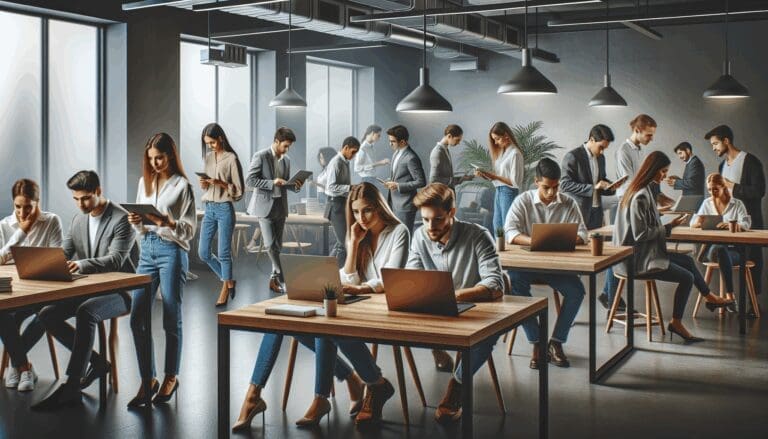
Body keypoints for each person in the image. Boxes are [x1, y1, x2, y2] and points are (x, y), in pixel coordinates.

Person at [292, 182, 409, 427]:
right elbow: (348, 278)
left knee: (331, 327)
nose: (361, 217)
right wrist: (353, 244)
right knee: (301, 328)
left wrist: (360, 288)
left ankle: (329, 395)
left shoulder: (399, 232)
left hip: (388, 306)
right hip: (361, 303)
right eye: (356, 212)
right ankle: (370, 382)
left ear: (379, 206)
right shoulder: (358, 233)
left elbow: (391, 276)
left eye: (367, 210)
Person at [31, 171, 138, 410]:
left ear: (99, 191)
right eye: (76, 199)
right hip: (90, 288)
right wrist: (38, 261)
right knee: (47, 313)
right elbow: (64, 253)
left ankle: (71, 386)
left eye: (86, 198)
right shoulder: (79, 220)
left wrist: (80, 264)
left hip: (121, 291)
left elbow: (116, 259)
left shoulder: (122, 219)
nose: (81, 204)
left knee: (86, 312)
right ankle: (98, 362)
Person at [406, 183, 504, 423]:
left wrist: (454, 296)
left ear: (452, 212)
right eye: (425, 219)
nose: (431, 226)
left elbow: (494, 283)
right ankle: (436, 348)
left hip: (471, 310)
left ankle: (457, 384)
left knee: (488, 335)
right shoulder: (420, 235)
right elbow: (412, 275)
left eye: (438, 219)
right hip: (433, 308)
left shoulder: (478, 235)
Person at [612, 151, 733, 343]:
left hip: (638, 255)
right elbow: (641, 234)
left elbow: (644, 227)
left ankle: (709, 297)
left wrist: (670, 224)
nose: (665, 176)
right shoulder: (641, 196)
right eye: (663, 171)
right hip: (636, 261)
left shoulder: (639, 191)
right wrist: (667, 227)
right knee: (687, 277)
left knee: (687, 260)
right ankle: (676, 322)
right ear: (652, 170)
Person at [127, 132, 197, 407]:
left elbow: (189, 231)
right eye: (151, 159)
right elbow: (141, 227)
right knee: (137, 318)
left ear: (170, 155)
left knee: (171, 316)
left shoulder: (183, 186)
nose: (155, 163)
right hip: (146, 249)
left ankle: (170, 376)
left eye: (160, 158)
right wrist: (136, 221)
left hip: (172, 252)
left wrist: (167, 222)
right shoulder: (144, 183)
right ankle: (148, 379)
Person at [505, 158, 588, 368]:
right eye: (546, 187)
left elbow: (583, 234)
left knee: (577, 291)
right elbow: (510, 232)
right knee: (515, 285)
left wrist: (562, 239)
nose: (552, 192)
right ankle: (538, 342)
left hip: (555, 266)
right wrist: (535, 240)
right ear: (536, 182)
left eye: (556, 187)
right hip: (526, 266)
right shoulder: (522, 201)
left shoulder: (568, 202)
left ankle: (556, 342)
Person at [0, 179, 63, 393]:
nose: (22, 212)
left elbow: (57, 258)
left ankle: (17, 365)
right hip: (16, 291)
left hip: (43, 292)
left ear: (37, 202)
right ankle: (24, 366)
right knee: (2, 314)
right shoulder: (5, 225)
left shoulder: (51, 221)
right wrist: (23, 231)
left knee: (45, 313)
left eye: (28, 206)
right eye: (18, 206)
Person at [603, 114, 667, 312]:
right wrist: (649, 204)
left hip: (635, 203)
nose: (651, 139)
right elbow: (634, 183)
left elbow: (644, 181)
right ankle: (611, 296)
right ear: (637, 130)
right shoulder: (624, 151)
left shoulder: (639, 150)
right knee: (621, 250)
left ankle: (609, 295)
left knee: (623, 250)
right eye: (648, 135)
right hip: (626, 205)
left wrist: (655, 200)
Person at [707, 124, 765, 299]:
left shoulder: (750, 161)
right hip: (726, 224)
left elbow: (759, 191)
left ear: (726, 141)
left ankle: (752, 304)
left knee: (752, 261)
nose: (714, 148)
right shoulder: (721, 166)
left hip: (748, 222)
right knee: (723, 255)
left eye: (716, 143)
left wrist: (733, 186)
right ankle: (728, 299)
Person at [245, 127, 304, 294]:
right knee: (271, 245)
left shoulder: (286, 160)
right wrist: (271, 182)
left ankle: (273, 280)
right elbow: (250, 180)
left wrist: (296, 185)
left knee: (278, 246)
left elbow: (286, 185)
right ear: (276, 141)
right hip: (264, 206)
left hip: (280, 205)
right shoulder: (261, 156)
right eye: (285, 146)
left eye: (289, 147)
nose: (287, 149)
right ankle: (284, 278)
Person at [197, 123, 245, 307]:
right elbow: (208, 185)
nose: (210, 146)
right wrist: (205, 184)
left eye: (212, 143)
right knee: (203, 252)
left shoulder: (231, 158)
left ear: (221, 139)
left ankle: (225, 287)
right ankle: (229, 279)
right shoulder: (208, 158)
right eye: (207, 144)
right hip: (209, 207)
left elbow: (239, 191)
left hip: (225, 208)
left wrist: (222, 183)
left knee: (224, 253)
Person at [691, 173, 751, 312]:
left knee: (722, 249)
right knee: (719, 248)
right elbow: (693, 223)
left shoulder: (737, 204)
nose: (712, 193)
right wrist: (699, 222)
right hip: (713, 250)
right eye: (710, 190)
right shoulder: (707, 203)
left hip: (735, 251)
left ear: (724, 187)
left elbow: (746, 223)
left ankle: (728, 299)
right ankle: (731, 297)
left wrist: (732, 225)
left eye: (715, 189)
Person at [560, 124, 616, 230]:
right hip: (579, 211)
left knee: (596, 245)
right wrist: (593, 187)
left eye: (605, 148)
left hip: (597, 211)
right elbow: (564, 185)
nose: (602, 151)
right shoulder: (572, 156)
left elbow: (600, 180)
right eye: (601, 147)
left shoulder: (601, 158)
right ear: (592, 139)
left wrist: (611, 186)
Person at [477, 122, 524, 234]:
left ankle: (509, 251)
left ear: (506, 136)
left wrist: (493, 176)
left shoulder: (515, 154)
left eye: (497, 139)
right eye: (494, 139)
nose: (495, 142)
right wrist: (486, 176)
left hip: (508, 192)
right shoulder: (502, 152)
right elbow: (499, 177)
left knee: (507, 227)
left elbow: (515, 182)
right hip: (499, 191)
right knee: (497, 226)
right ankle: (499, 251)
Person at [382, 125, 426, 235]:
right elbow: (399, 176)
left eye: (393, 141)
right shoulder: (396, 153)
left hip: (405, 205)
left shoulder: (411, 158)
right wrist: (391, 181)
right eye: (389, 141)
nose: (390, 144)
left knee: (405, 236)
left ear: (402, 142)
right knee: (396, 236)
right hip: (393, 202)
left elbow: (421, 181)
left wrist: (398, 185)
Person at [324, 136, 361, 267]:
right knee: (344, 241)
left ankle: (326, 269)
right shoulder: (336, 163)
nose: (354, 155)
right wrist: (350, 187)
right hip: (335, 205)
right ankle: (331, 271)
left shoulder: (345, 162)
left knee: (342, 241)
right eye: (353, 152)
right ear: (345, 148)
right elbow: (331, 187)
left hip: (342, 204)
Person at [429, 124, 472, 189]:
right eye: (457, 140)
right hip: (442, 195)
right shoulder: (437, 152)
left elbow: (446, 175)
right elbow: (434, 180)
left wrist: (462, 178)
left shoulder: (445, 149)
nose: (458, 143)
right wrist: (458, 180)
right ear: (449, 136)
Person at [666, 142, 705, 207]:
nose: (679, 157)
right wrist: (677, 179)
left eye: (680, 153)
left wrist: (676, 182)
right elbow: (691, 181)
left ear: (688, 150)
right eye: (678, 154)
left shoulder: (694, 163)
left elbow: (692, 183)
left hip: (693, 201)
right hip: (692, 200)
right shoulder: (692, 162)